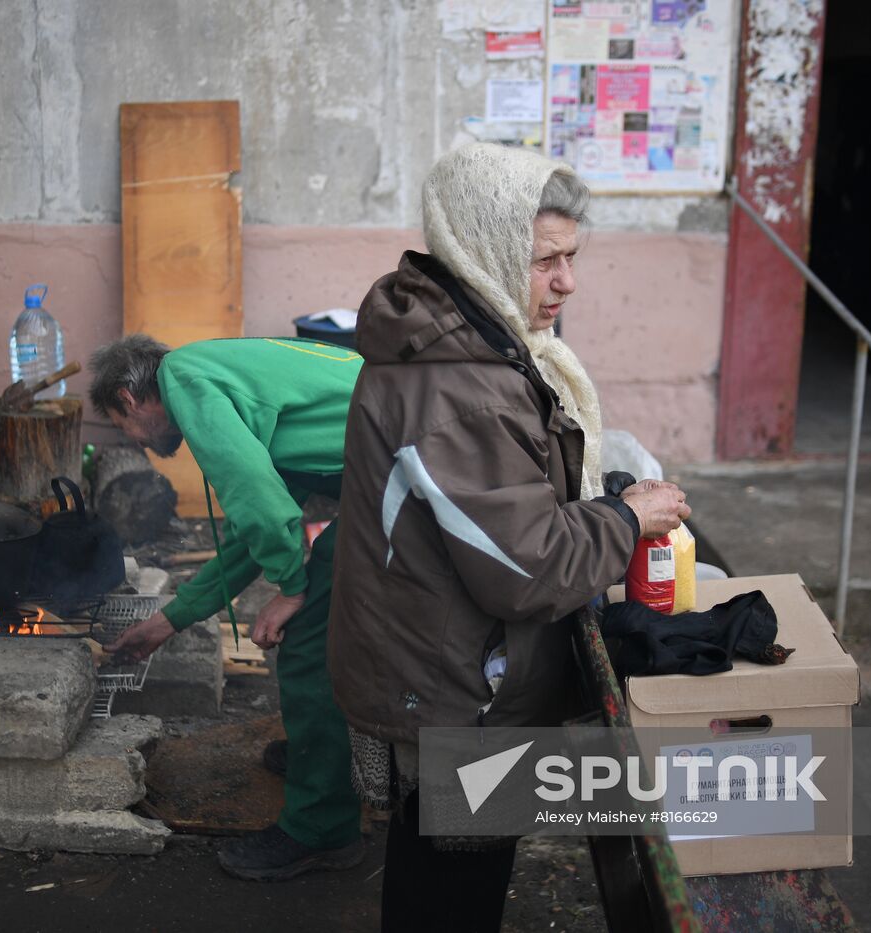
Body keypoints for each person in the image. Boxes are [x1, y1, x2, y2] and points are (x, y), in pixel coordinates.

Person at [327, 142, 691, 931]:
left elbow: (508, 505)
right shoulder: (461, 387)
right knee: (453, 888)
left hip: (442, 665)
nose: (566, 281)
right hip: (459, 690)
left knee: (435, 872)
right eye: (544, 261)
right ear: (483, 251)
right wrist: (628, 518)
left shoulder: (462, 340)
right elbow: (529, 565)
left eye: (571, 258)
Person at [89, 334, 364, 882]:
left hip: (412, 478)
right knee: (333, 626)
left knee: (310, 644)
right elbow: (250, 530)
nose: (137, 442)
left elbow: (256, 495)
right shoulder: (223, 373)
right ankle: (323, 760)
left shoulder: (185, 381)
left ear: (128, 398)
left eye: (124, 428)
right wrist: (169, 620)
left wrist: (291, 588)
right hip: (400, 469)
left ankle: (322, 828)